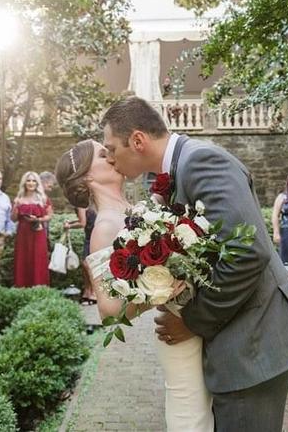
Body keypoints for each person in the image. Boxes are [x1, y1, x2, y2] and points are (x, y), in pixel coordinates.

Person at [100, 96, 288, 432]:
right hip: (241, 341)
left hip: (253, 344)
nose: (109, 159)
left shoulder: (200, 161)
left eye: (111, 148)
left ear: (138, 140)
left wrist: (194, 320)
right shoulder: (179, 168)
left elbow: (247, 251)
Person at [55, 139, 211, 431]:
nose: (112, 155)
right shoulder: (104, 226)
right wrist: (161, 293)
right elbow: (109, 310)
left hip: (201, 319)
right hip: (179, 331)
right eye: (104, 154)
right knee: (192, 420)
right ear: (88, 177)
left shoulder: (137, 208)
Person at [12, 171, 50, 287]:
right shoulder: (18, 199)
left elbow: (49, 216)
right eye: (28, 180)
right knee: (23, 259)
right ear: (24, 183)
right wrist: (15, 208)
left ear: (37, 183)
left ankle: (39, 287)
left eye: (34, 180)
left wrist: (38, 219)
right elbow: (13, 219)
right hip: (23, 234)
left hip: (38, 233)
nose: (31, 183)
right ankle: (22, 287)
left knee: (38, 259)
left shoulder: (43, 198)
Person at [64, 206, 98, 303]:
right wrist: (70, 222)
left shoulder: (80, 205)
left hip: (92, 236)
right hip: (90, 235)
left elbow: (82, 223)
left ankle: (94, 293)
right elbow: (82, 219)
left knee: (87, 265)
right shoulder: (82, 204)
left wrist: (69, 226)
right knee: (85, 265)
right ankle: (87, 292)